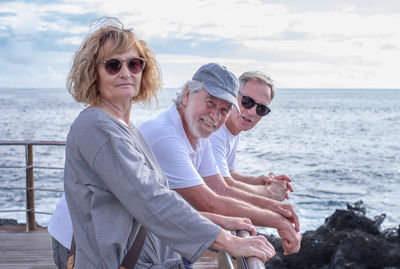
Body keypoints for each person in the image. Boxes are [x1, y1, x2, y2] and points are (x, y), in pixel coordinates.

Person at [59, 17, 275, 269]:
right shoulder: (98, 127)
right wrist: (229, 242)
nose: (126, 72)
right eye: (113, 65)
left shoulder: (125, 127)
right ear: (93, 71)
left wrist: (217, 221)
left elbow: (142, 203)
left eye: (134, 64)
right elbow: (151, 200)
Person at [137, 63, 302, 267]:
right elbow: (210, 202)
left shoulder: (199, 133)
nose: (215, 116)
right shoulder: (166, 136)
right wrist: (278, 220)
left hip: (164, 243)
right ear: (187, 94)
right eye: (210, 102)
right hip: (133, 251)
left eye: (224, 109)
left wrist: (277, 208)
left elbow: (220, 187)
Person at [209, 71, 293, 202]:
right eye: (247, 102)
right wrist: (269, 193)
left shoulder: (231, 131)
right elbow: (222, 187)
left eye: (261, 109)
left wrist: (257, 182)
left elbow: (228, 174)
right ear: (232, 96)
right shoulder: (215, 133)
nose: (253, 112)